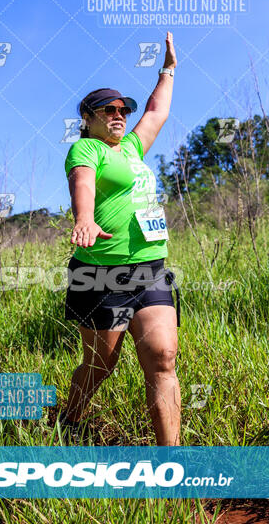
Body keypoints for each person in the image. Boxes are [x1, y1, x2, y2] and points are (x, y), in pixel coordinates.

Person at [61, 32, 180, 445]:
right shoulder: (86, 150)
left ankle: (173, 468)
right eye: (107, 109)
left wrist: (168, 69)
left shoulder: (131, 148)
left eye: (121, 109)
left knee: (162, 357)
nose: (118, 114)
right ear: (88, 118)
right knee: (100, 364)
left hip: (150, 268)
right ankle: (69, 419)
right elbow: (84, 183)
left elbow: (156, 111)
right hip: (101, 273)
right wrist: (85, 218)